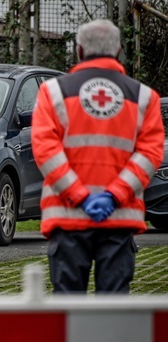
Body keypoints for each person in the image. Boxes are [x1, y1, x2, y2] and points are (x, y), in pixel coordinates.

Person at [31, 19, 165, 294]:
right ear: (118, 51)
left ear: (79, 50)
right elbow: (149, 153)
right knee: (113, 311)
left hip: (68, 216)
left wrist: (79, 196)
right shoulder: (144, 97)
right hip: (118, 217)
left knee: (68, 307)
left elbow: (46, 150)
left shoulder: (53, 92)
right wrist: (114, 195)